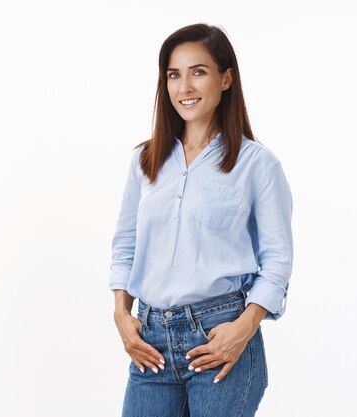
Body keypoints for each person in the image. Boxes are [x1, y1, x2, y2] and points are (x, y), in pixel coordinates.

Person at [109, 23, 293, 417]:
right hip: (150, 340)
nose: (184, 87)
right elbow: (126, 244)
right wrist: (121, 314)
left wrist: (243, 329)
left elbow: (277, 260)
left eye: (199, 71)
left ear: (226, 78)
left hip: (219, 336)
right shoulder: (145, 160)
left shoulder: (256, 164)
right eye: (174, 74)